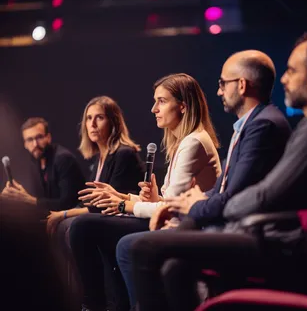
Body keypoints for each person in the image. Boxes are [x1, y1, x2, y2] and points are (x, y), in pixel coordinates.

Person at [130, 32, 307, 311]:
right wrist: (199, 205)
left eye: (291, 71)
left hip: (294, 247)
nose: (284, 79)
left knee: (143, 248)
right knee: (175, 266)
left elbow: (266, 195)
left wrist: (203, 206)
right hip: (285, 236)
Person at [116, 50, 292, 309]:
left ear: (241, 85)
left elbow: (232, 197)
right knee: (171, 264)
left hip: (250, 231)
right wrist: (177, 204)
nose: (219, 91)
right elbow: (224, 190)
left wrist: (187, 206)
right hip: (226, 220)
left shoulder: (262, 126)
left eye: (223, 83)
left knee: (134, 246)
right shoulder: (250, 124)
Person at [69, 73, 222, 311]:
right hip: (173, 220)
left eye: (161, 101)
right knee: (90, 228)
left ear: (183, 106)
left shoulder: (193, 142)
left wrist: (123, 205)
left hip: (185, 226)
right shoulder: (185, 141)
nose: (154, 109)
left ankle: (101, 305)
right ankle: (111, 304)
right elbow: (169, 202)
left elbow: (172, 211)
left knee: (86, 227)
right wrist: (124, 197)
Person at [45, 96, 144, 234]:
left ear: (113, 123)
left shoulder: (124, 154)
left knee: (72, 224)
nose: (92, 124)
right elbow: (90, 200)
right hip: (104, 214)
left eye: (99, 118)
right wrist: (61, 213)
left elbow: (108, 203)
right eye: (89, 118)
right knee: (61, 224)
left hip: (125, 216)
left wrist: (65, 214)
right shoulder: (99, 158)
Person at [2, 117, 85, 215]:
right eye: (30, 139)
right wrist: (19, 195)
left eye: (39, 137)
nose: (35, 144)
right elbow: (46, 200)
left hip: (75, 215)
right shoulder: (38, 160)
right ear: (25, 144)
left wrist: (28, 199)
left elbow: (67, 204)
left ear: (48, 138)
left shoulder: (63, 159)